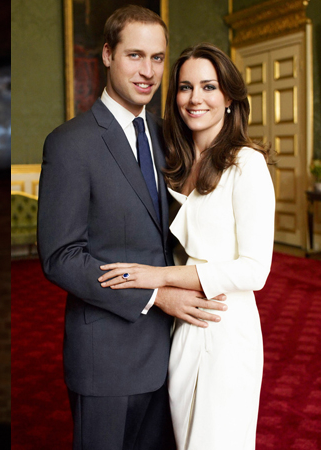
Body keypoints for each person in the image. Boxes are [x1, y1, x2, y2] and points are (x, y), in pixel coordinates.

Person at [38, 6, 228, 450]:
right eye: (135, 56)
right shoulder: (69, 144)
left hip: (176, 352)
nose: (148, 72)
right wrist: (156, 296)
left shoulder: (171, 137)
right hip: (106, 357)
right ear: (107, 54)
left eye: (158, 58)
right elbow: (61, 257)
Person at [99, 43, 275, 449]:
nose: (195, 98)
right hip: (182, 327)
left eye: (209, 87)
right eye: (185, 87)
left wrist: (157, 277)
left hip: (225, 325)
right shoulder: (175, 162)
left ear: (229, 97)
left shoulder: (247, 164)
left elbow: (254, 270)